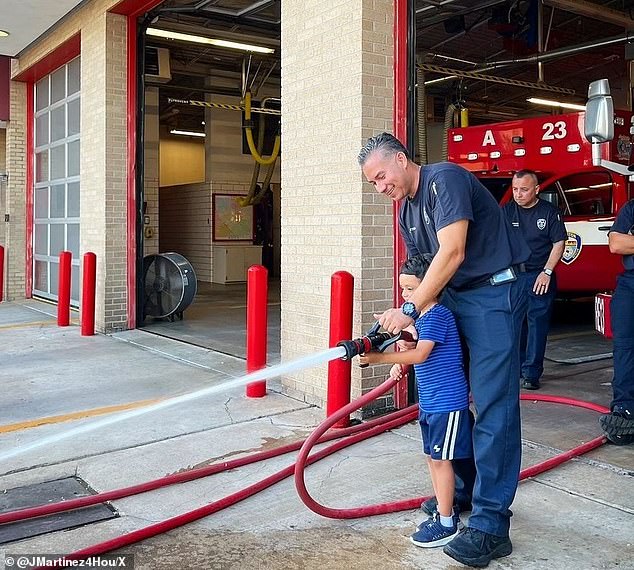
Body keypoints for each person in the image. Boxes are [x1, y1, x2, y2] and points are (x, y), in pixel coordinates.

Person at [358, 132, 530, 568]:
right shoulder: (407, 213)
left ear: (400, 159)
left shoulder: (444, 179)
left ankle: (492, 526)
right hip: (455, 299)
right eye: (373, 184)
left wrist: (410, 309)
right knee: (456, 401)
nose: (381, 188)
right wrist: (403, 331)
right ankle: (468, 492)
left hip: (493, 296)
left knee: (494, 407)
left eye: (381, 176)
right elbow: (420, 274)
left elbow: (451, 252)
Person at [359, 254, 473, 548]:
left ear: (430, 287)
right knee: (432, 459)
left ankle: (447, 523)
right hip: (431, 403)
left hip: (447, 404)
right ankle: (442, 510)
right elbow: (415, 351)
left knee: (441, 460)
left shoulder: (437, 316)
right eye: (403, 290)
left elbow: (422, 353)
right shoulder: (420, 318)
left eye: (411, 289)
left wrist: (381, 358)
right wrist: (401, 362)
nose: (406, 296)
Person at [503, 169, 567, 390]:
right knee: (514, 325)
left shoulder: (549, 212)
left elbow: (559, 243)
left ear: (537, 190)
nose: (518, 194)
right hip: (514, 276)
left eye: (524, 189)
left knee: (536, 326)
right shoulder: (507, 211)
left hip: (540, 275)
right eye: (515, 189)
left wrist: (547, 272)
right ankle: (517, 368)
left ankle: (531, 373)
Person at [599, 199, 634, 445]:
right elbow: (616, 243)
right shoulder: (631, 208)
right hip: (630, 283)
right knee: (624, 349)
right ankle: (624, 411)